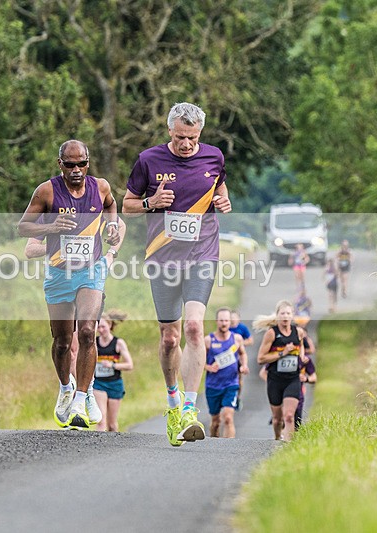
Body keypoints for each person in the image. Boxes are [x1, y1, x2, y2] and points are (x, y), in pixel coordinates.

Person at [122, 102, 232, 446]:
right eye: (182, 137)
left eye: (193, 138)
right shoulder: (148, 160)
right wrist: (151, 203)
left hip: (202, 255)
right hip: (163, 259)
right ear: (170, 130)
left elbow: (220, 187)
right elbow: (127, 204)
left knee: (196, 327)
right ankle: (172, 404)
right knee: (170, 337)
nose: (187, 144)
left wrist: (223, 201)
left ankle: (189, 408)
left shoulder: (214, 157)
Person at [18, 139, 122, 429]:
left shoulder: (100, 187)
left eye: (82, 164)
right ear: (59, 164)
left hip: (91, 270)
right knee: (63, 342)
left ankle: (82, 397)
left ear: (88, 163)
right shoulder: (47, 191)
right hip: (58, 273)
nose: (76, 170)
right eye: (70, 165)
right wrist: (51, 226)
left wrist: (111, 225)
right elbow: (22, 226)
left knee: (87, 331)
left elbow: (112, 205)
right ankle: (66, 388)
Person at [254, 300, 309, 442]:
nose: (285, 316)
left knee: (289, 415)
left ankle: (287, 445)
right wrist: (282, 353)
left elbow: (301, 345)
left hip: (293, 379)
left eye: (288, 313)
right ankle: (278, 437)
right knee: (277, 419)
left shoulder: (299, 332)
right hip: (275, 380)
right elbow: (261, 358)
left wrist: (301, 356)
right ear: (277, 315)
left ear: (292, 316)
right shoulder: (271, 334)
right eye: (282, 313)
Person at [204, 307, 249, 438]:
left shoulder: (237, 339)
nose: (224, 323)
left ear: (230, 322)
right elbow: (199, 362)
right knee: (215, 422)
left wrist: (244, 365)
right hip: (213, 385)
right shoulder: (208, 340)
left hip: (231, 384)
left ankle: (229, 450)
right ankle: (214, 444)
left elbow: (242, 353)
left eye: (226, 320)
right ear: (216, 321)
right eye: (221, 320)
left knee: (228, 418)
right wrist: (208, 367)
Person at [93, 311, 134, 432]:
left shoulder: (118, 343)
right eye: (98, 327)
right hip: (98, 384)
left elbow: (129, 365)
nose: (101, 330)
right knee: (101, 421)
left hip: (115, 384)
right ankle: (97, 447)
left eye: (103, 326)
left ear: (110, 325)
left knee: (112, 425)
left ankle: (113, 448)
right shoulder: (93, 343)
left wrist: (113, 365)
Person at [295, 335, 317, 430]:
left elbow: (314, 378)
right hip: (282, 390)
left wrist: (306, 379)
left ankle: (292, 439)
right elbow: (264, 373)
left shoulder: (306, 360)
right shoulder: (283, 357)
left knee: (296, 419)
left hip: (298, 392)